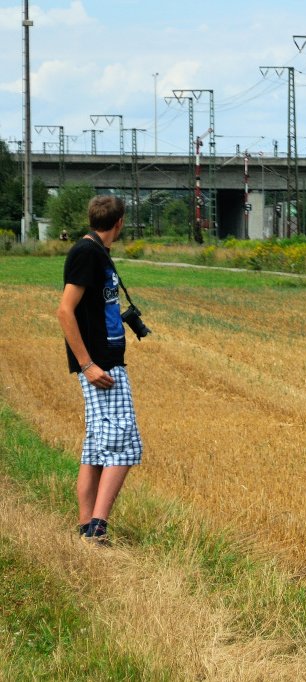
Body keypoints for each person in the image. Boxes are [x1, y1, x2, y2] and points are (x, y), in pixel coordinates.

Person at [56, 195, 144, 545]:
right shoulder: (86, 253)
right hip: (100, 367)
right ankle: (98, 527)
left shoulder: (97, 253)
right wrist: (87, 364)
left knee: (95, 448)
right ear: (119, 222)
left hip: (106, 362)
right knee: (124, 445)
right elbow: (65, 311)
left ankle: (85, 528)